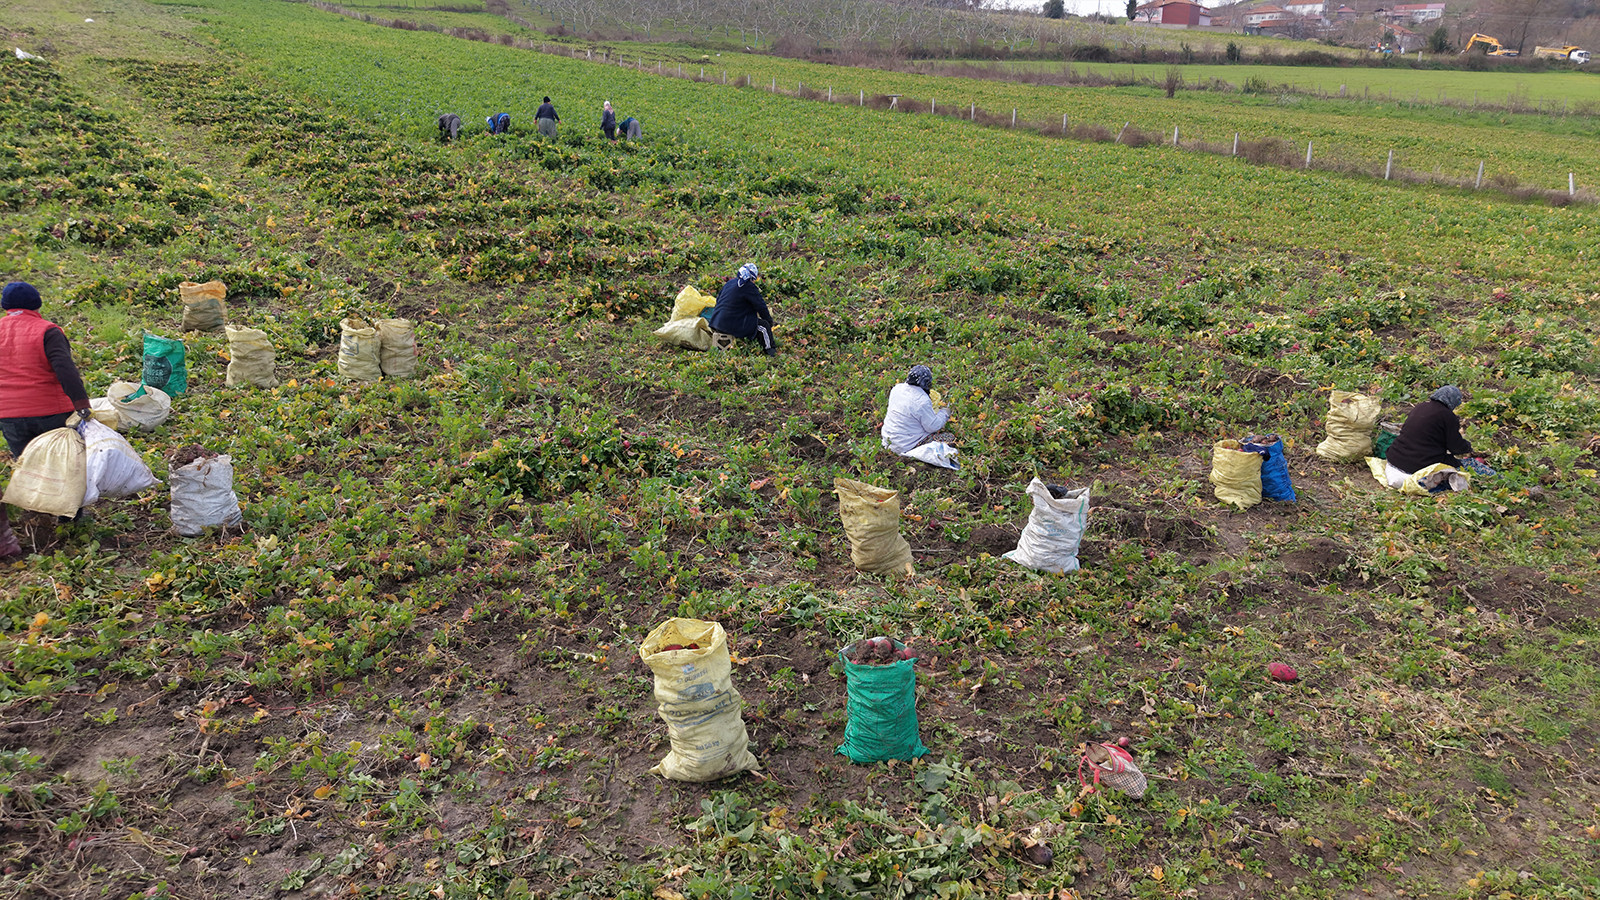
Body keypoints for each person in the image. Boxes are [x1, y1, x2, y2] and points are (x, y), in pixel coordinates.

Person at [0, 282, 92, 557]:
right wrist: (82, 404)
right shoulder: (47, 331)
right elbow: (65, 369)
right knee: (64, 464)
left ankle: (37, 516)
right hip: (51, 412)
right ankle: (69, 518)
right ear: (37, 304)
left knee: (28, 464)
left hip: (9, 415)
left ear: (5, 306)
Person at [1385, 385, 1488, 486]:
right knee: (1471, 465)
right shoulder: (1448, 416)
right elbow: (1456, 447)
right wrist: (1468, 447)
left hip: (1394, 459)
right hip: (1417, 465)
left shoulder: (1420, 407)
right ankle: (1494, 479)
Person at [881, 365, 952, 454]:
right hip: (907, 445)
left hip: (888, 442)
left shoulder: (897, 389)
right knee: (949, 437)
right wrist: (945, 413)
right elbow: (933, 426)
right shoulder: (922, 400)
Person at [708, 263, 775, 356]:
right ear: (751, 278)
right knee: (763, 327)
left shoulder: (729, 283)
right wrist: (769, 321)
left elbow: (718, 300)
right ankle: (770, 350)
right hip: (730, 324)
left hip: (716, 322)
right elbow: (761, 306)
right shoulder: (748, 286)